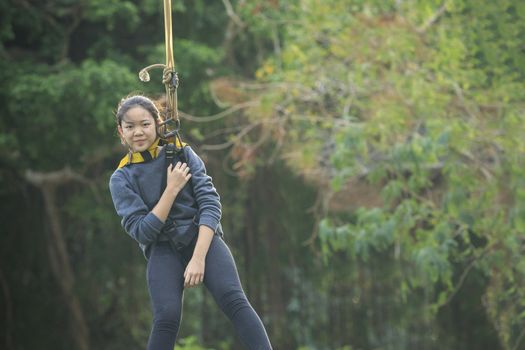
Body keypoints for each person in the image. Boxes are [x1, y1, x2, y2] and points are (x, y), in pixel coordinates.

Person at [108, 95, 272, 350]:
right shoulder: (121, 178)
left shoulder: (183, 153)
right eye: (130, 127)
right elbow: (142, 232)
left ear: (158, 124)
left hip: (202, 238)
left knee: (235, 301)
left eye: (145, 124)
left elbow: (210, 204)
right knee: (166, 318)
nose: (138, 132)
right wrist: (171, 189)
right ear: (121, 131)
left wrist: (198, 258)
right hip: (162, 248)